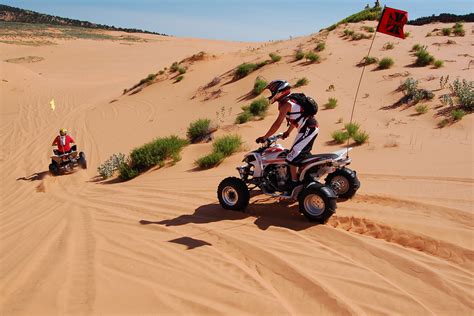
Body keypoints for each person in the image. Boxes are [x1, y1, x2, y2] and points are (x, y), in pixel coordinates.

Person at [256, 80, 319, 192]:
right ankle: (305, 176)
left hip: (308, 128)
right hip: (309, 128)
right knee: (301, 156)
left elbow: (277, 124)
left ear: (279, 92)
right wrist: (288, 132)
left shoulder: (286, 104)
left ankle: (293, 184)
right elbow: (297, 118)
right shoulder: (291, 101)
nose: (271, 95)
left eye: (272, 92)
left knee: (291, 157)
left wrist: (265, 137)